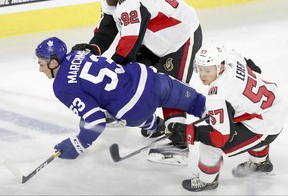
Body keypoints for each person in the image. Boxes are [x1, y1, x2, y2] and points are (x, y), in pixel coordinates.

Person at [72, 0, 202, 164]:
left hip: (180, 38)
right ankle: (150, 122)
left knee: (172, 91)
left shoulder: (131, 1)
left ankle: (179, 145)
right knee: (134, 80)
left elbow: (129, 42)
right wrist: (93, 48)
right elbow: (106, 30)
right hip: (152, 41)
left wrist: (114, 68)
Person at [35, 36, 206, 161]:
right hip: (151, 80)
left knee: (124, 111)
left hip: (135, 108)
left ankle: (156, 125)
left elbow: (96, 121)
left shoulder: (61, 87)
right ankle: (224, 118)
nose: (40, 69)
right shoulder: (77, 53)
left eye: (41, 63)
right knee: (198, 102)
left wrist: (79, 143)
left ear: (54, 62)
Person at [167, 41, 287, 191]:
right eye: (200, 69)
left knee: (210, 145)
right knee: (249, 118)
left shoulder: (217, 96)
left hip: (267, 123)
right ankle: (260, 162)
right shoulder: (230, 58)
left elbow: (220, 138)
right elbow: (249, 64)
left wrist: (191, 133)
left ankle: (207, 180)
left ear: (220, 66)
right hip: (274, 103)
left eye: (208, 71)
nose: (203, 75)